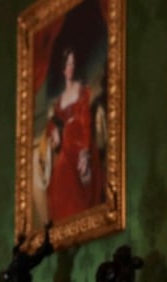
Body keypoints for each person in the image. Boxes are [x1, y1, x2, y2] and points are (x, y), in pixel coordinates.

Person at [43, 47, 103, 222]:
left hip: (80, 143)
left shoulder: (82, 91)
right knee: (59, 175)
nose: (70, 68)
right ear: (63, 68)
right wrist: (53, 130)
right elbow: (53, 121)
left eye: (73, 64)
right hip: (67, 145)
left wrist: (84, 152)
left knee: (70, 170)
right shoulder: (60, 99)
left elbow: (86, 121)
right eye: (68, 64)